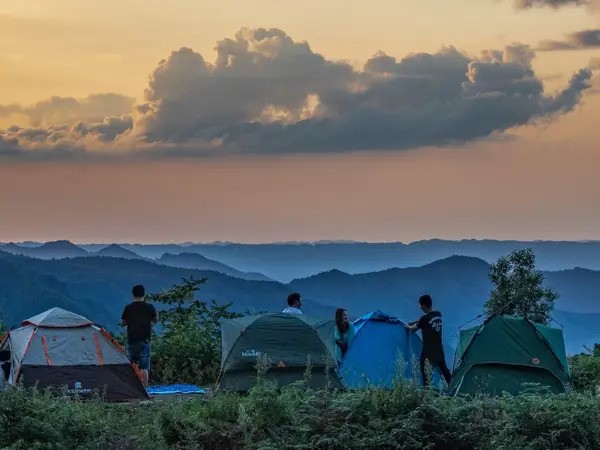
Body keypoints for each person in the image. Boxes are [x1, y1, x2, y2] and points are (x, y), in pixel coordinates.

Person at [407, 294, 452, 387]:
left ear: (423, 306)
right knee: (445, 372)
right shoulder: (438, 314)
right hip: (439, 350)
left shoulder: (424, 319)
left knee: (426, 375)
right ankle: (454, 388)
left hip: (428, 352)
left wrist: (406, 326)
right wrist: (417, 322)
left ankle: (427, 395)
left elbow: (412, 329)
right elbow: (426, 319)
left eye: (420, 306)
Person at [121, 284, 157, 387]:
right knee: (144, 367)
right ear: (144, 294)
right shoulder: (150, 307)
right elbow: (155, 319)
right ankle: (144, 388)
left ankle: (130, 387)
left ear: (133, 294)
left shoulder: (128, 307)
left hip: (132, 339)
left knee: (129, 365)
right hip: (145, 339)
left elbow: (123, 323)